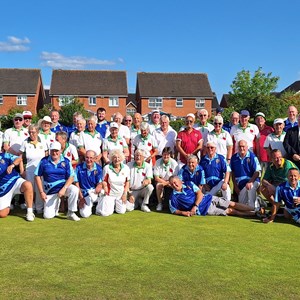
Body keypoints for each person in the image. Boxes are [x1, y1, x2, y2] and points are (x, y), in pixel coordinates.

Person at [35, 141, 80, 221]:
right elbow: (37, 176)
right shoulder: (44, 161)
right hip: (50, 190)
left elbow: (71, 177)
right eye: (52, 150)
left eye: (56, 151)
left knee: (75, 190)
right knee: (47, 216)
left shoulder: (66, 161)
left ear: (60, 151)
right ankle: (56, 203)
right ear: (49, 151)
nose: (54, 153)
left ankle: (71, 212)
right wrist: (41, 192)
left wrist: (64, 188)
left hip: (63, 188)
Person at [169, 176, 255, 217]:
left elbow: (199, 193)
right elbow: (173, 210)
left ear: (180, 181)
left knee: (232, 204)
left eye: (175, 182)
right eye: (172, 183)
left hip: (209, 198)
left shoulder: (189, 184)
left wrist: (195, 206)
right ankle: (255, 214)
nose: (174, 184)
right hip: (205, 209)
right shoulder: (173, 197)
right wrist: (183, 213)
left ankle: (255, 209)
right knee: (230, 211)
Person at [19, 124, 48, 214]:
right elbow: (20, 158)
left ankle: (39, 208)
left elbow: (46, 156)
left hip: (41, 171)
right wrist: (22, 171)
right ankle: (31, 208)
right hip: (29, 170)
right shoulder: (25, 142)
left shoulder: (43, 141)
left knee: (40, 189)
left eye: (33, 132)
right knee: (30, 190)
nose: (31, 134)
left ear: (38, 132)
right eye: (30, 132)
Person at [0, 152, 35, 221]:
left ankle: (30, 212)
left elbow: (19, 159)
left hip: (14, 181)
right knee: (2, 214)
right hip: (3, 190)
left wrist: (12, 165)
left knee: (27, 185)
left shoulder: (5, 155)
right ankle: (8, 205)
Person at [96, 149, 131, 216]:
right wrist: (105, 188)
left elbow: (127, 182)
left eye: (118, 157)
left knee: (121, 211)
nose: (117, 159)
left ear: (122, 158)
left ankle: (117, 204)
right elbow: (103, 181)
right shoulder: (107, 168)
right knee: (107, 213)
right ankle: (101, 206)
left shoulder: (126, 168)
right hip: (110, 194)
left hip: (120, 194)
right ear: (111, 158)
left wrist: (125, 194)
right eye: (114, 157)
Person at [230, 140, 261, 209]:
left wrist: (250, 182)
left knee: (250, 188)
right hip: (240, 184)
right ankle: (258, 200)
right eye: (240, 146)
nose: (241, 148)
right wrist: (235, 186)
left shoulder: (252, 157)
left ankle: (253, 209)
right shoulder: (234, 157)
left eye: (243, 146)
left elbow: (257, 171)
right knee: (242, 204)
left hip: (252, 181)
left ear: (247, 147)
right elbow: (233, 173)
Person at [75, 150, 103, 218]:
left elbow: (100, 182)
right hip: (84, 193)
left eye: (91, 158)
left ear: (95, 158)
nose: (89, 160)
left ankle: (98, 208)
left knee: (103, 192)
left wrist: (99, 185)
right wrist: (81, 198)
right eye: (87, 157)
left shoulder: (98, 168)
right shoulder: (78, 168)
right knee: (84, 214)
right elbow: (76, 183)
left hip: (94, 192)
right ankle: (90, 206)